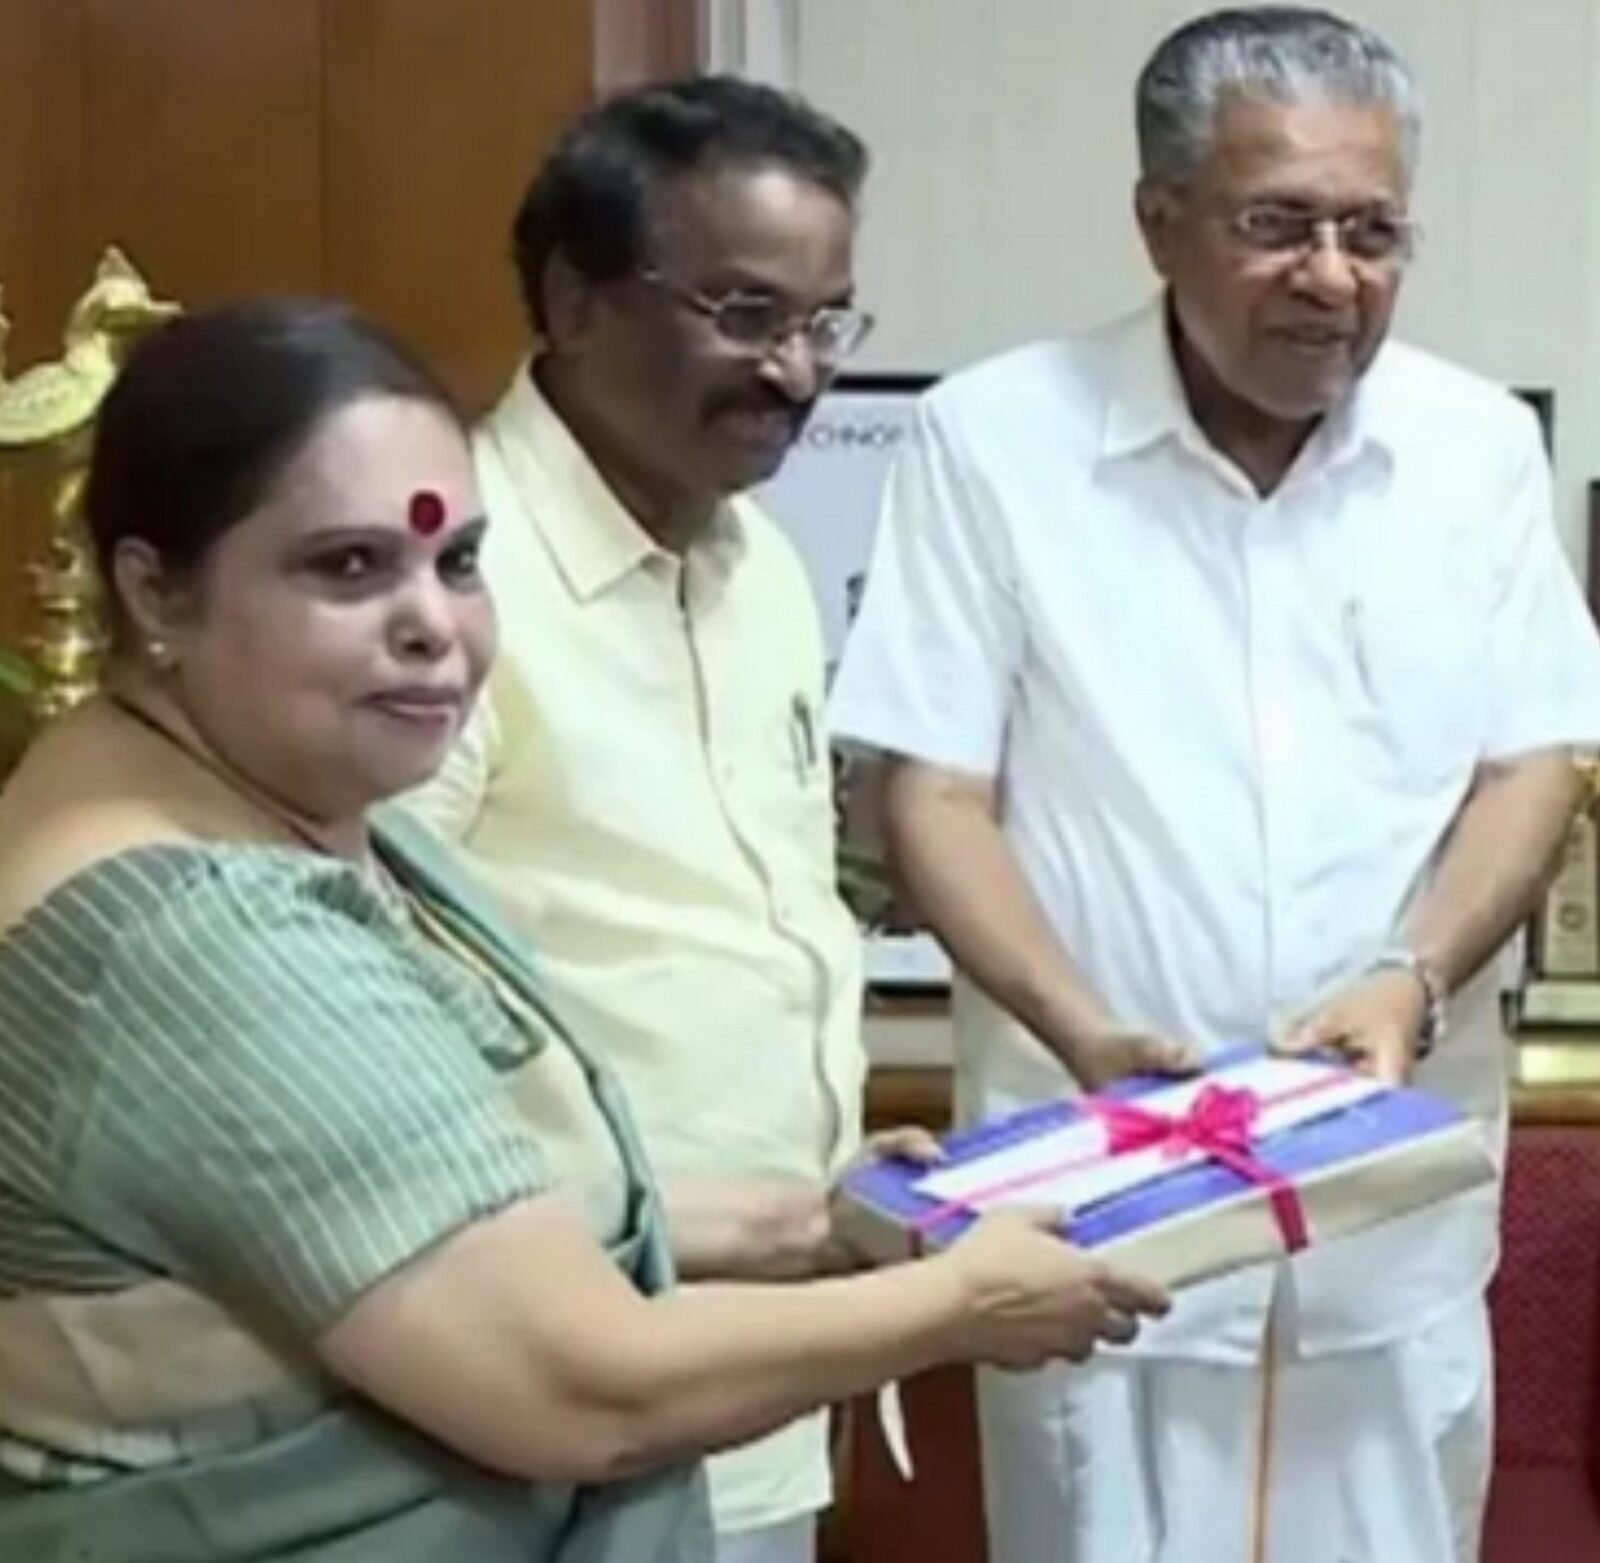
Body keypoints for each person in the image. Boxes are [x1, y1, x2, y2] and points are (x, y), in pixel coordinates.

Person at [0, 299, 1169, 1562]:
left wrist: (811, 1227)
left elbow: (405, 1213)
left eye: (457, 562)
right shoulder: (203, 936)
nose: (434, 625)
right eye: (348, 568)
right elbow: (580, 1389)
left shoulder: (244, 798)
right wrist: (957, 1305)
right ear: (154, 591)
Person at [829, 8, 1600, 1562]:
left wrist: (1414, 972)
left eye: (1372, 231)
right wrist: (1086, 1033)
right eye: (1277, 225)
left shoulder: (1474, 451)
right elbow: (935, 792)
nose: (1332, 274)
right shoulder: (996, 440)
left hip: (1381, 1206)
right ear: (1159, 219)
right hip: (1099, 1205)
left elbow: (1535, 759)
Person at [401, 76, 881, 1562]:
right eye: (745, 314)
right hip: (545, 1390)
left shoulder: (760, 563)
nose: (795, 372)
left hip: (766, 1359)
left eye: (826, 322)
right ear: (575, 300)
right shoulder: (436, 595)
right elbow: (360, 1017)